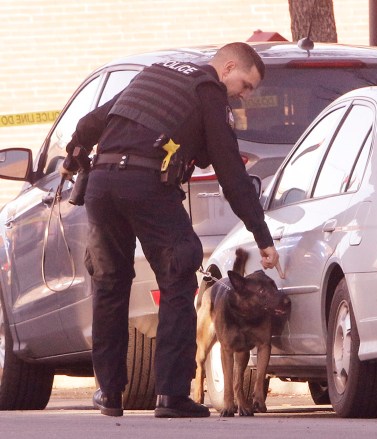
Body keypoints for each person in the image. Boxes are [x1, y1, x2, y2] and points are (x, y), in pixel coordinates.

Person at [60, 42, 279, 418]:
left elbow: (90, 124)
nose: (243, 96)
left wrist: (73, 153)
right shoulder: (208, 91)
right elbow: (231, 173)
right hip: (146, 185)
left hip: (102, 185)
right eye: (245, 85)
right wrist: (262, 236)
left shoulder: (154, 74)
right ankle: (171, 395)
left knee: (110, 285)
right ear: (227, 68)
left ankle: (110, 394)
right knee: (180, 275)